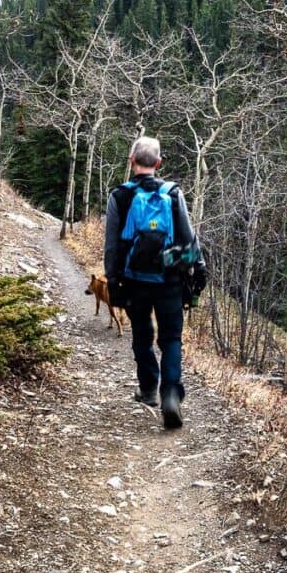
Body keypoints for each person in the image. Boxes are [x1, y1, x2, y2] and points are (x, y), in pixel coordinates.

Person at [104, 136, 206, 429]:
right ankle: (171, 394)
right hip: (170, 279)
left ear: (131, 160)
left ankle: (148, 389)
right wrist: (198, 269)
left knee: (141, 335)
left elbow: (112, 245)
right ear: (159, 163)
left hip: (134, 282)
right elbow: (188, 237)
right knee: (171, 338)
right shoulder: (172, 193)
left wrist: (113, 281)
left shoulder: (119, 196)